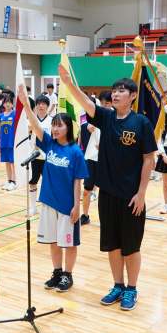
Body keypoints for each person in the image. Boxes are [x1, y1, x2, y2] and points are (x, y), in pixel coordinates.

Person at [58, 65, 156, 311]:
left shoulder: (141, 122)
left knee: (131, 247)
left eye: (121, 91)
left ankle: (132, 289)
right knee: (112, 245)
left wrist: (142, 193)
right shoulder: (107, 117)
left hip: (133, 197)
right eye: (114, 91)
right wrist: (69, 84)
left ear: (133, 96)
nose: (116, 94)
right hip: (108, 194)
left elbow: (149, 159)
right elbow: (85, 103)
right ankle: (118, 285)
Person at [18, 85, 88, 292]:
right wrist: (25, 105)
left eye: (59, 126)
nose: (55, 129)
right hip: (48, 201)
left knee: (69, 243)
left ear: (69, 128)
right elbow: (35, 125)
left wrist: (77, 206)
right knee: (53, 241)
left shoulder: (75, 152)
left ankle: (68, 275)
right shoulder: (49, 144)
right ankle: (57, 272)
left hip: (67, 206)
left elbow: (78, 181)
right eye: (53, 126)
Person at [81, 91, 112, 225]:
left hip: (106, 160)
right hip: (91, 158)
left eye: (108, 103)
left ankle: (106, 219)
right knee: (87, 190)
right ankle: (85, 215)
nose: (105, 106)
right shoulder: (96, 116)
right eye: (103, 103)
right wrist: (87, 125)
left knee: (105, 193)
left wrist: (106, 147)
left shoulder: (114, 119)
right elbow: (85, 124)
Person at [26, 95, 52, 210]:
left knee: (48, 183)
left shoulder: (52, 121)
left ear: (47, 106)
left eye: (43, 104)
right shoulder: (31, 120)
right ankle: (32, 207)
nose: (41, 106)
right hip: (34, 156)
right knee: (33, 181)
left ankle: (47, 206)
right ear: (36, 106)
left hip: (48, 157)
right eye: (39, 104)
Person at [0, 95, 17, 191]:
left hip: (11, 142)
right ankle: (9, 180)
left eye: (10, 102)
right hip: (3, 142)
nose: (8, 104)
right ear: (3, 104)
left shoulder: (14, 114)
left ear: (12, 104)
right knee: (6, 162)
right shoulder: (0, 116)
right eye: (6, 102)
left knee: (12, 162)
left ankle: (14, 181)